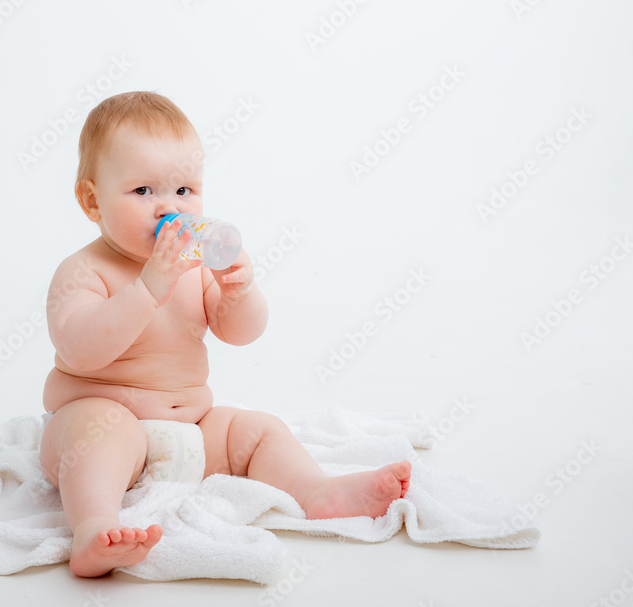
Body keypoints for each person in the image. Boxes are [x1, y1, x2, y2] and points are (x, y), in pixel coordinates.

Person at [39, 91, 411, 578]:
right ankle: (93, 526)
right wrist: (149, 286)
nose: (167, 208)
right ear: (92, 200)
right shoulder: (84, 271)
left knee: (259, 430)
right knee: (102, 431)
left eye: (184, 190)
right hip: (96, 430)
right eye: (143, 191)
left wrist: (239, 291)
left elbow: (242, 333)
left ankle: (318, 491)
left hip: (193, 432)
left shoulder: (193, 267)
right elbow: (81, 347)